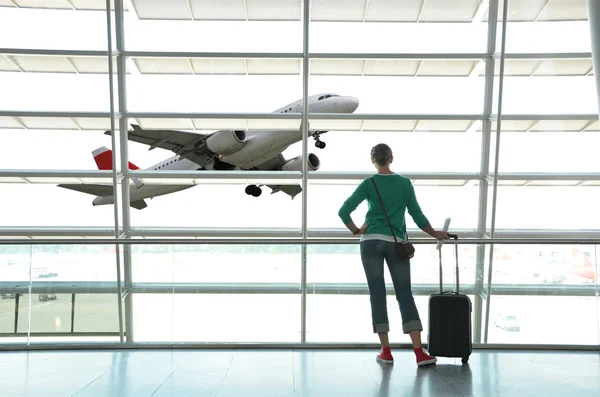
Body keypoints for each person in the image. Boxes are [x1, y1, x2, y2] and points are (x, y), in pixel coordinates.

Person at [338, 143, 449, 366]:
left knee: (377, 294)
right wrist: (434, 233)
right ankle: (419, 353)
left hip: (370, 242)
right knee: (404, 294)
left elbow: (343, 211)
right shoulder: (404, 183)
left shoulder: (369, 184)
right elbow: (416, 214)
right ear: (391, 158)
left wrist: (356, 229)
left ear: (373, 160)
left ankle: (386, 351)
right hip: (397, 243)